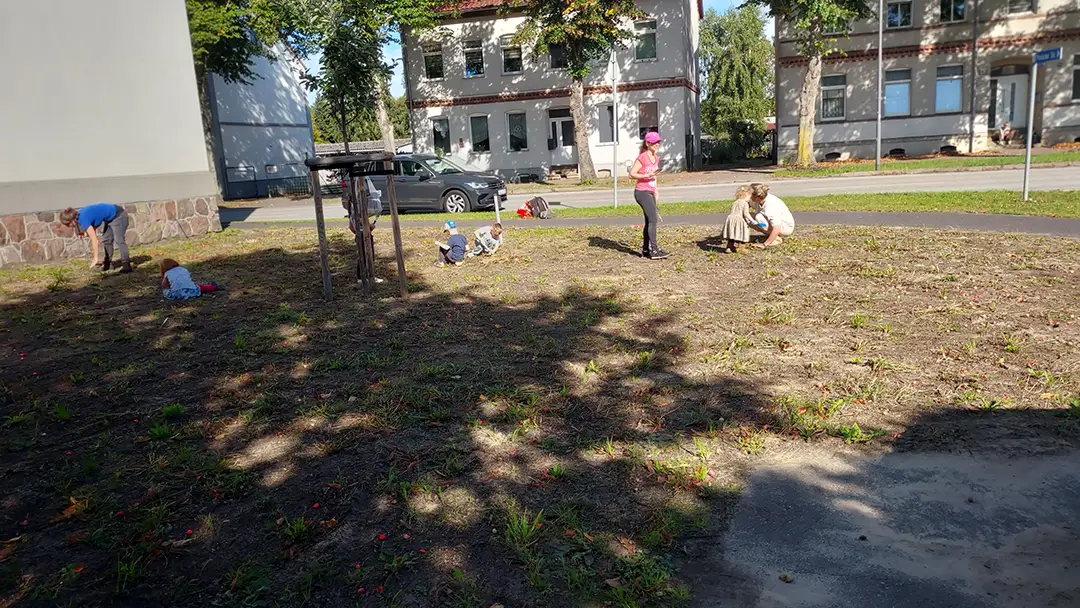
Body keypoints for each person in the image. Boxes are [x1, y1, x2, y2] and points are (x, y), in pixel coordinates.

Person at [628, 131, 669, 260]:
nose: (656, 144)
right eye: (654, 142)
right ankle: (654, 250)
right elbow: (632, 174)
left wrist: (656, 191)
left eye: (658, 142)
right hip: (641, 192)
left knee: (649, 220)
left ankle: (646, 249)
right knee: (653, 220)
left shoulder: (656, 158)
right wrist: (646, 175)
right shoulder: (643, 157)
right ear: (647, 143)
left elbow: (654, 176)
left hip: (650, 191)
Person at [59, 203, 132, 273]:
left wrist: (95, 258)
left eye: (68, 224)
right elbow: (94, 225)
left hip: (118, 215)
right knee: (107, 240)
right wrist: (85, 234)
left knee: (119, 240)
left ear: (72, 220)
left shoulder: (83, 219)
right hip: (109, 219)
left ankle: (126, 265)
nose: (69, 226)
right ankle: (108, 264)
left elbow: (94, 240)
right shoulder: (79, 216)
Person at [342, 176, 385, 283]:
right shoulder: (356, 207)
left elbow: (354, 223)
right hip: (362, 233)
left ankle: (363, 276)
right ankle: (365, 276)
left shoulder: (354, 206)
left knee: (365, 255)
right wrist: (369, 226)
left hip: (362, 232)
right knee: (366, 255)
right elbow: (359, 221)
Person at [748, 183, 795, 248]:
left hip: (785, 227)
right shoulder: (757, 200)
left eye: (749, 194)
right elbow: (745, 206)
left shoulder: (771, 205)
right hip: (771, 224)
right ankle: (771, 236)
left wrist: (764, 245)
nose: (747, 195)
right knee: (748, 216)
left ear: (757, 196)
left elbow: (777, 228)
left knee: (758, 217)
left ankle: (775, 239)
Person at [721, 185, 757, 253]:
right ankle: (741, 248)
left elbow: (735, 212)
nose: (750, 199)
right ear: (747, 195)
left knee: (732, 233)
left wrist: (747, 220)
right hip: (739, 220)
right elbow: (746, 214)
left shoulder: (735, 202)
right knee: (742, 233)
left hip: (731, 219)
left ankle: (729, 247)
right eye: (750, 197)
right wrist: (753, 220)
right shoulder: (745, 203)